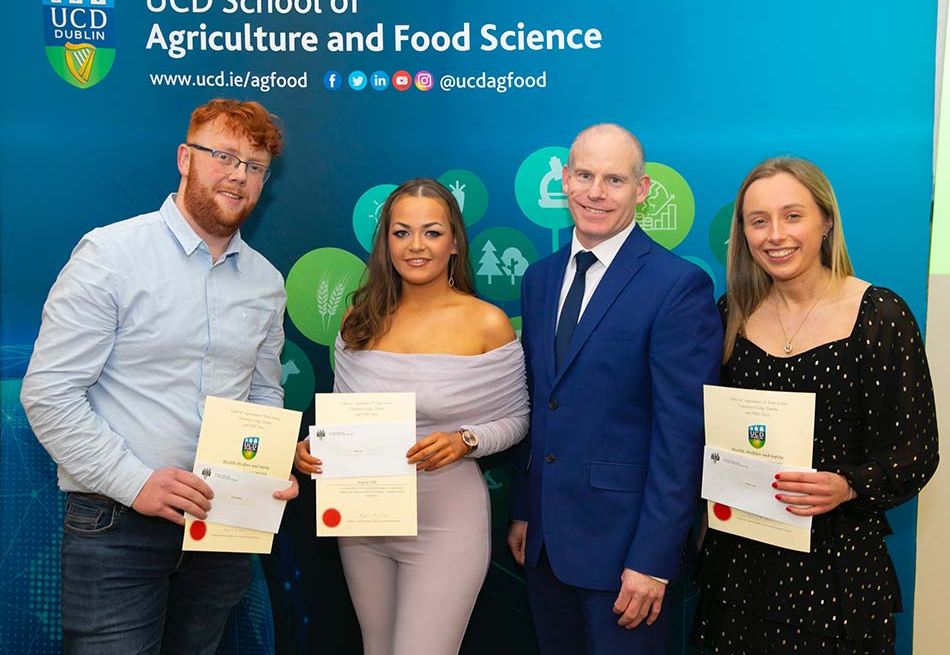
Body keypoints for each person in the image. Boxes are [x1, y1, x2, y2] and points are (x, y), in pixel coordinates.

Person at [20, 98, 299, 655]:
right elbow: (49, 393)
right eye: (223, 155)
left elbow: (264, 393)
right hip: (116, 525)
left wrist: (269, 464)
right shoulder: (111, 254)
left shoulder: (266, 282)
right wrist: (137, 482)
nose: (238, 175)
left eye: (255, 165)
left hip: (223, 528)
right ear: (184, 158)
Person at [690, 157, 940, 654]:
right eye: (758, 221)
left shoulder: (880, 316)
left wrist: (847, 486)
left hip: (836, 573)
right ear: (742, 233)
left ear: (826, 222)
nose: (775, 235)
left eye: (793, 215)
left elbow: (918, 451)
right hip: (739, 567)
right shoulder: (729, 315)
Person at [507, 123, 722, 654]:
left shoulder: (676, 285)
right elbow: (541, 402)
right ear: (563, 179)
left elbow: (683, 437)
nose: (596, 193)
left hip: (626, 557)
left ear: (642, 190)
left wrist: (653, 558)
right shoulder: (539, 278)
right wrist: (525, 510)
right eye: (584, 175)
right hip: (545, 547)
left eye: (614, 180)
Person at [294, 178, 529, 655]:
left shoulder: (487, 323)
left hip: (447, 523)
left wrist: (466, 439)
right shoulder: (357, 319)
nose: (416, 246)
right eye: (401, 232)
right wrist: (316, 447)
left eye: (432, 232)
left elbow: (518, 419)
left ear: (455, 242)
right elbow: (345, 415)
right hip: (362, 522)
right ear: (385, 242)